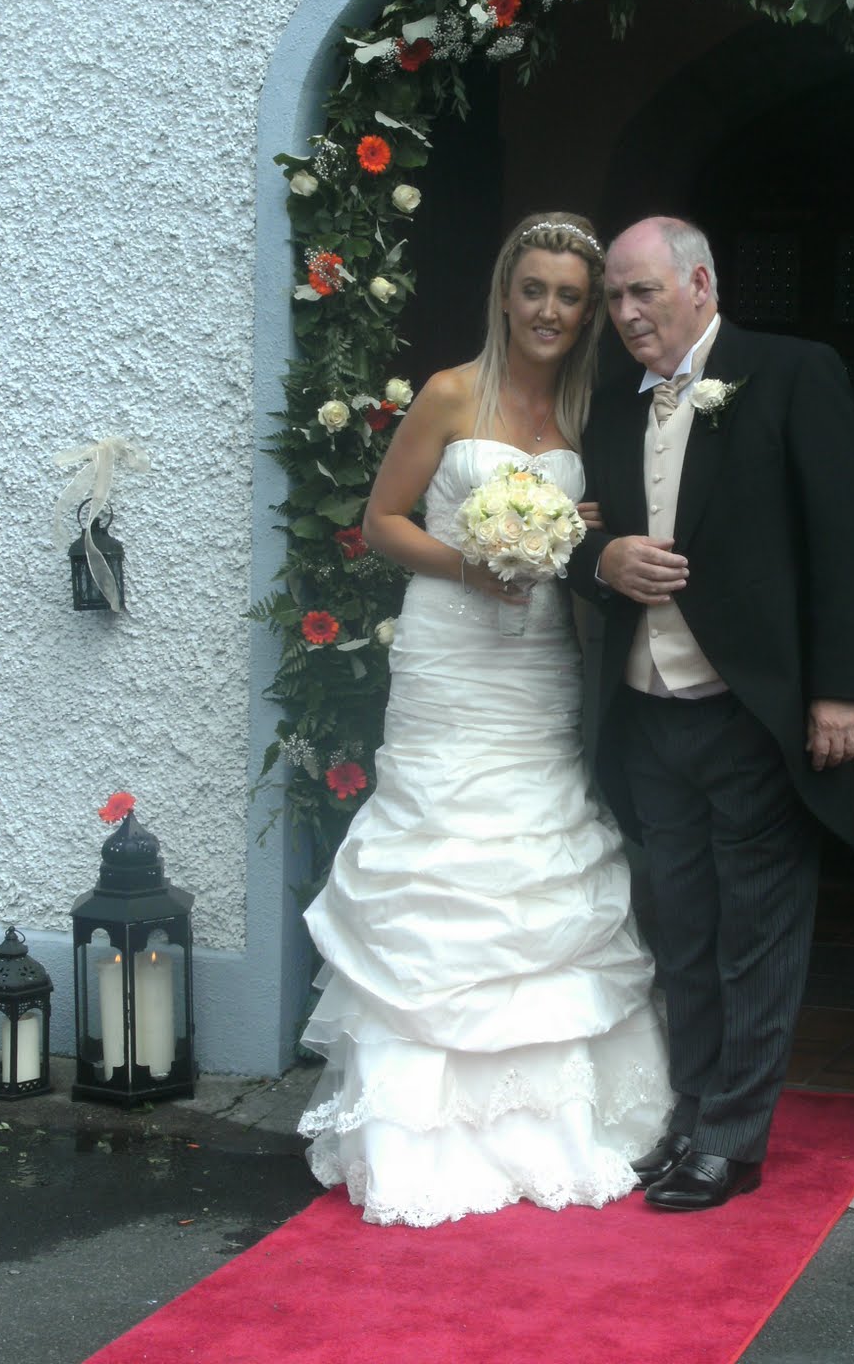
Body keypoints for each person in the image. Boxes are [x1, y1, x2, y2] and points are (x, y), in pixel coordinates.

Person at [297, 212, 671, 1227]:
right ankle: (418, 1127)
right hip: (450, 658)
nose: (551, 310)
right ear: (507, 292)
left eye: (571, 295)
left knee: (534, 850)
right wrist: (475, 558)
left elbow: (609, 532)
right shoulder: (451, 392)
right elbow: (382, 523)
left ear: (589, 311)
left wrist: (575, 535)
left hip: (540, 661)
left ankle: (549, 1120)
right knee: (442, 855)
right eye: (535, 289)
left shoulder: (593, 409)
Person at [566, 216, 854, 1212]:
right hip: (649, 714)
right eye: (613, 298)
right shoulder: (613, 411)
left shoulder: (790, 372)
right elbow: (583, 543)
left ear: (700, 283)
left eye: (640, 293)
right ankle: (691, 1115)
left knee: (757, 935)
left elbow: (847, 533)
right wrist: (601, 560)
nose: (623, 314)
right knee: (682, 932)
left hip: (755, 712)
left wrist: (840, 687)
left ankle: (734, 1137)